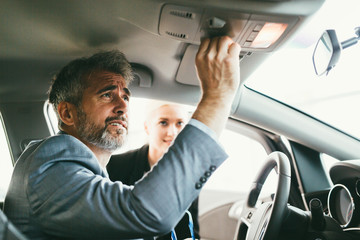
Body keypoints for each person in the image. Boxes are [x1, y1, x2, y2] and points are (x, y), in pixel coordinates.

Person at [3, 36, 241, 240]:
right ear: (67, 113)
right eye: (107, 95)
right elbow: (147, 212)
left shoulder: (87, 171)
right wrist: (217, 98)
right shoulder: (51, 160)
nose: (122, 107)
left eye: (125, 97)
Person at [107, 103, 200, 239]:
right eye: (163, 123)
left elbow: (192, 230)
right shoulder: (115, 165)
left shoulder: (190, 173)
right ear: (147, 127)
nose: (172, 132)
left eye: (179, 123)